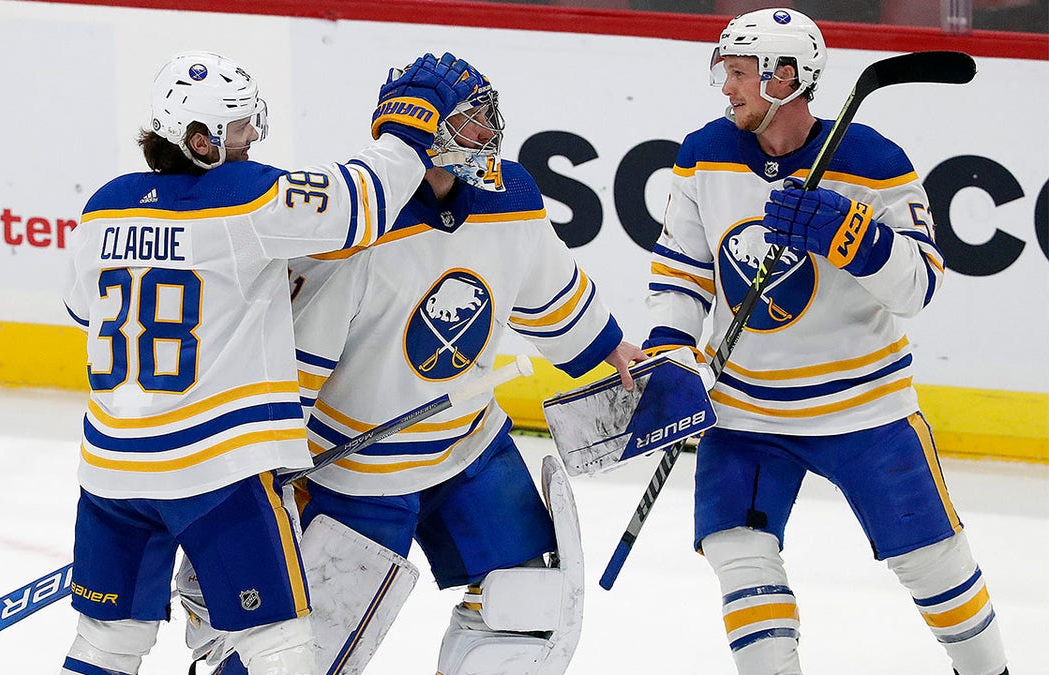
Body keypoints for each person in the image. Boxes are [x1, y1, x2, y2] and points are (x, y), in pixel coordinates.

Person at [182, 63, 645, 675]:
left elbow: (550, 288)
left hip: (470, 447)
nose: (488, 130)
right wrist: (262, 470)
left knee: (528, 609)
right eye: (469, 119)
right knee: (303, 657)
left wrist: (617, 354)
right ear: (426, 136)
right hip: (358, 469)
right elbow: (291, 367)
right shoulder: (349, 227)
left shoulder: (511, 198)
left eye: (487, 114)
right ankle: (222, 640)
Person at [58, 49, 482, 675]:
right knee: (279, 646)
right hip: (217, 476)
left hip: (111, 475)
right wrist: (408, 127)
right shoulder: (241, 197)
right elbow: (360, 202)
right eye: (237, 128)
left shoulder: (103, 207)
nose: (251, 137)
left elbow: (81, 308)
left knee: (107, 644)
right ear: (199, 140)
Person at [640, 8, 1009, 675]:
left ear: (786, 78)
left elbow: (920, 287)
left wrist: (859, 241)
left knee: (931, 558)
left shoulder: (872, 161)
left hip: (866, 408)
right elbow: (680, 273)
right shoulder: (703, 153)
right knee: (736, 548)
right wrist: (670, 353)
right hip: (747, 411)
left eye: (741, 73)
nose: (727, 87)